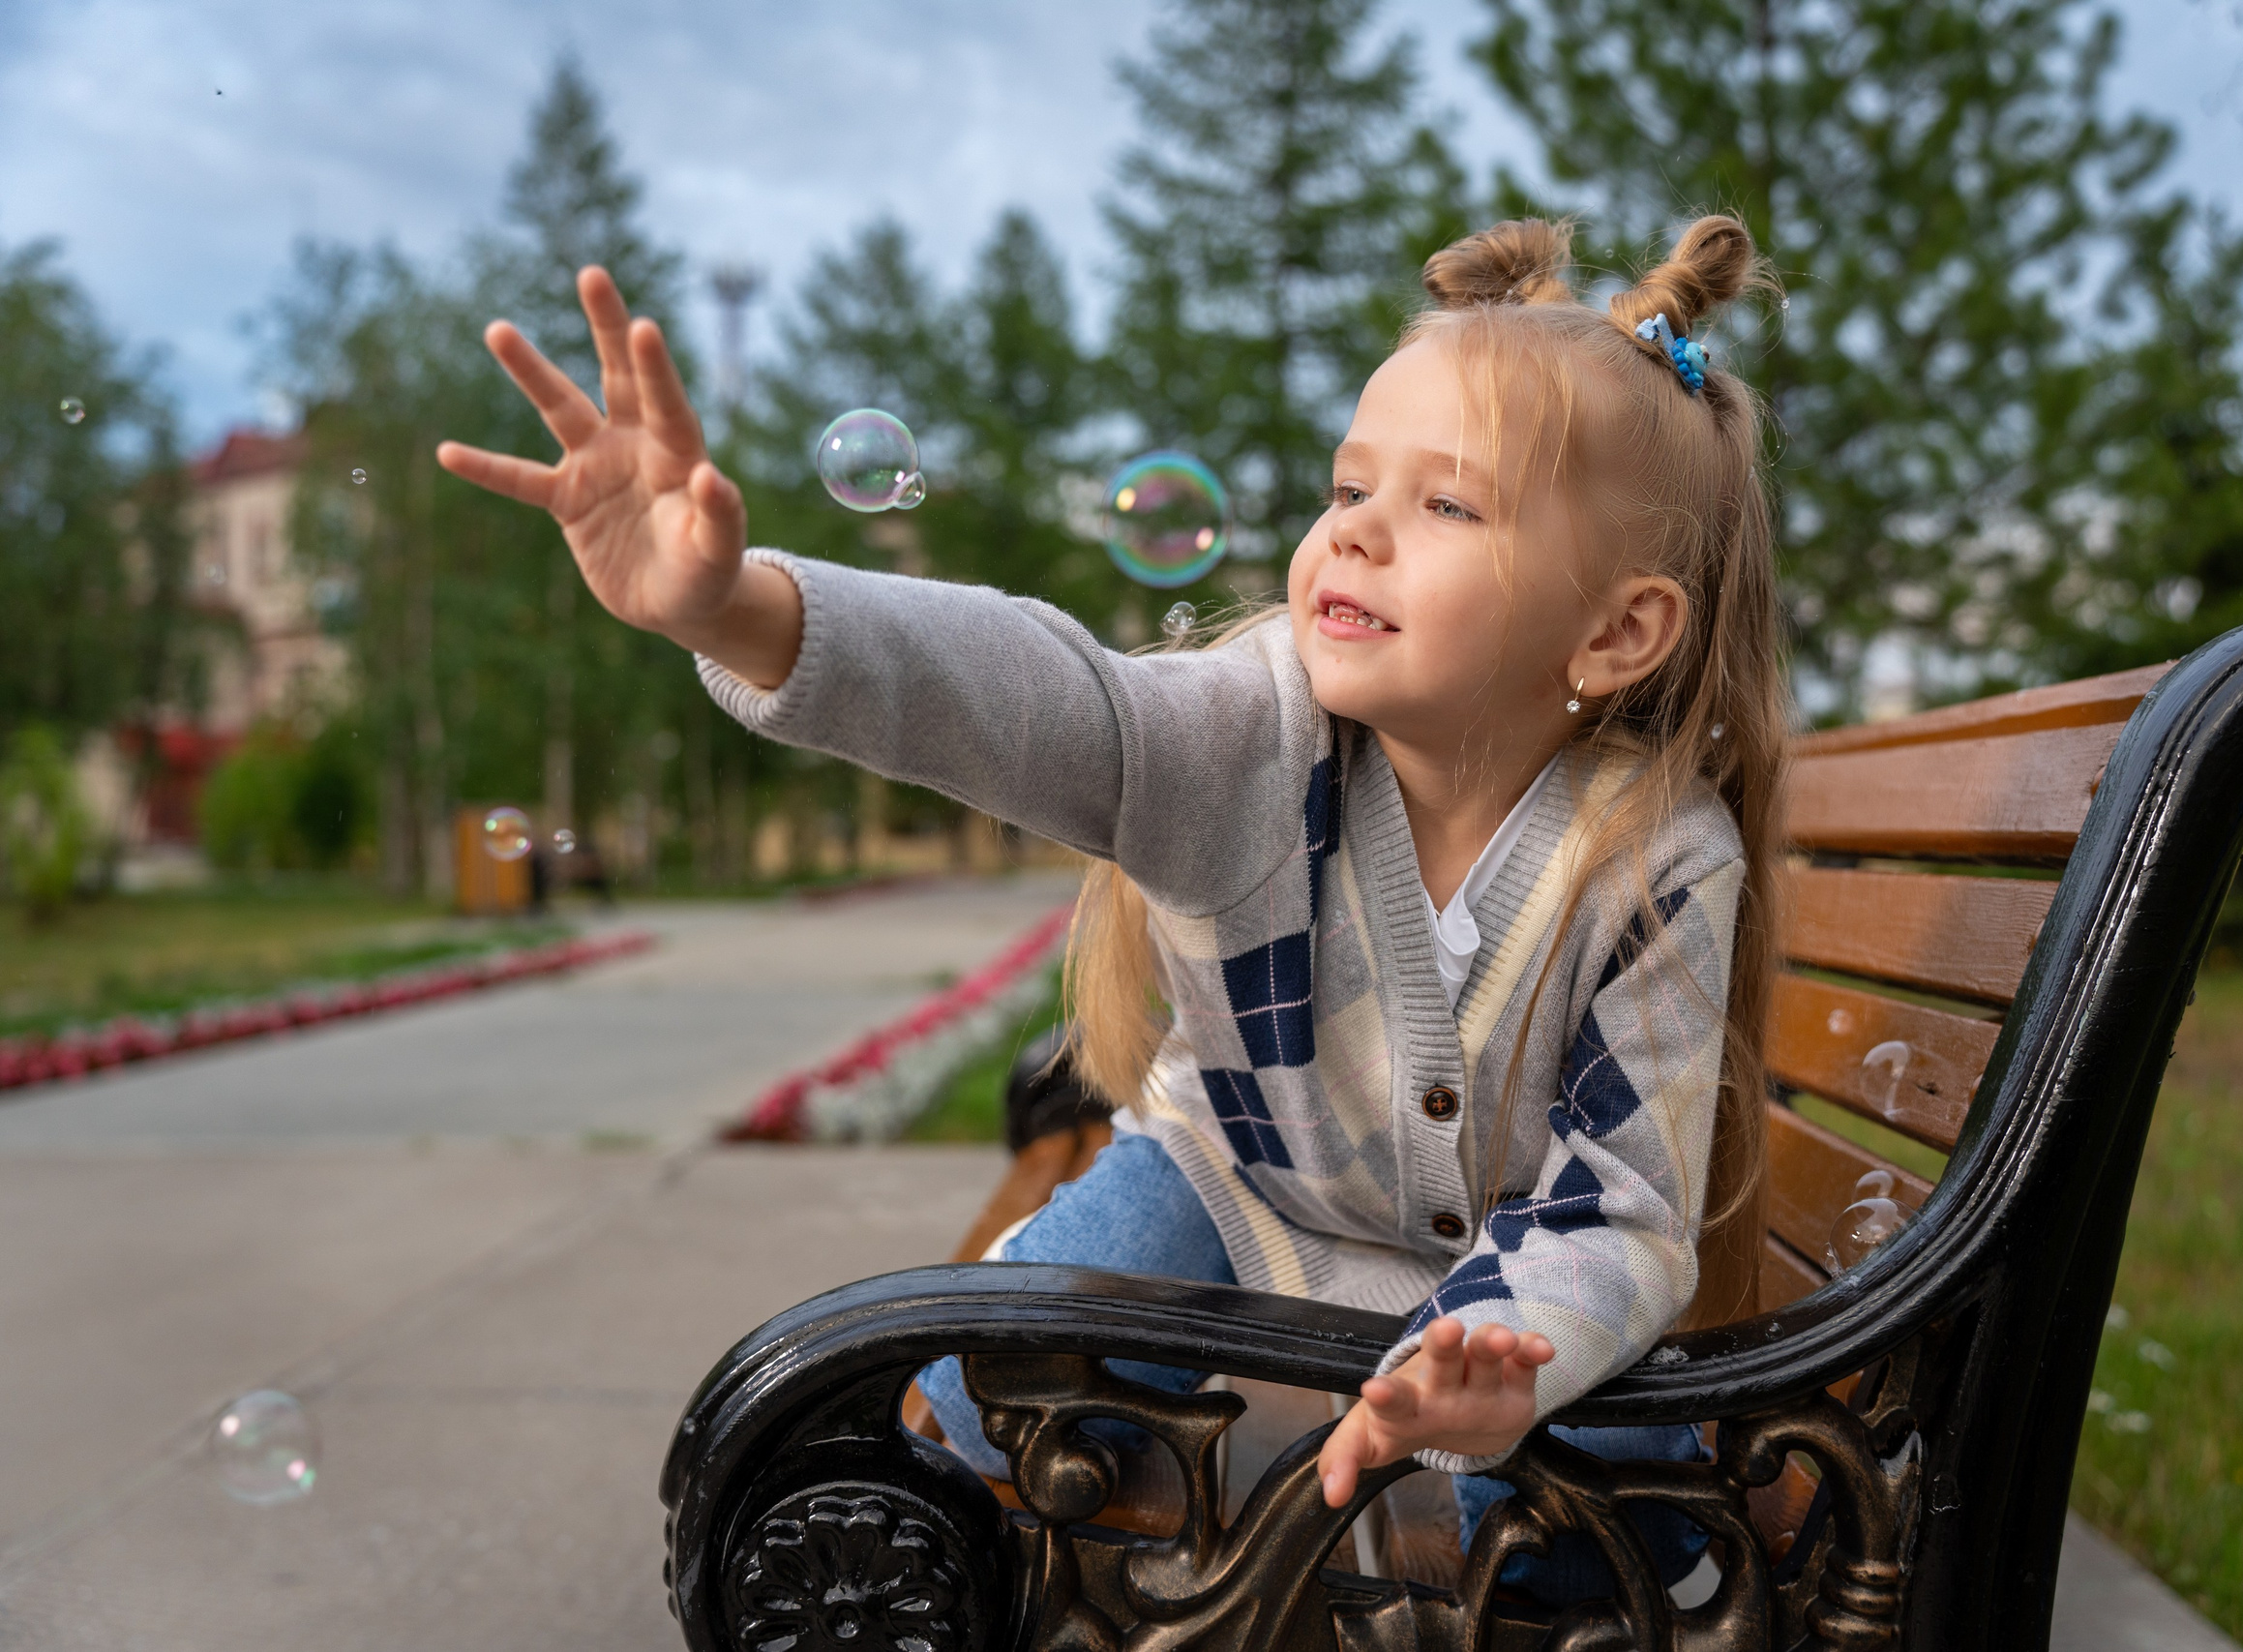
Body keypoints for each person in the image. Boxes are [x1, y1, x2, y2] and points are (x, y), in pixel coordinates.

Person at [437, 213, 1786, 1606]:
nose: (1353, 536)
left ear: (1619, 632)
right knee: (987, 1387)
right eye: (1349, 487)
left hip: (1505, 1283)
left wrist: (1509, 1356)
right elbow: (1038, 697)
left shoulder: (1652, 850)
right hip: (1234, 1191)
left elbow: (1625, 1208)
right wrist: (737, 610)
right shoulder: (1248, 735)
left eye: (1444, 505)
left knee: (1628, 1475)